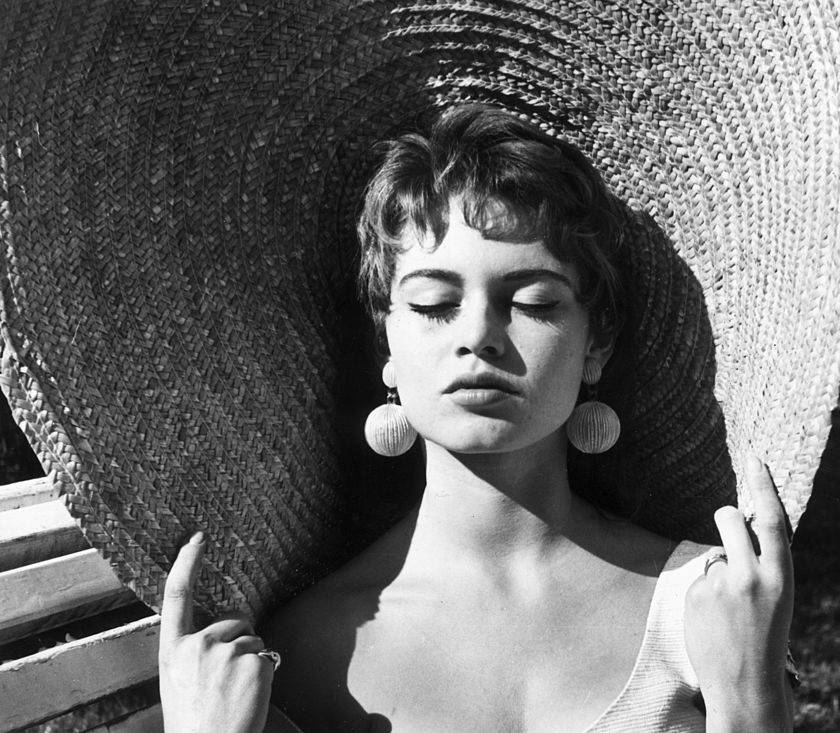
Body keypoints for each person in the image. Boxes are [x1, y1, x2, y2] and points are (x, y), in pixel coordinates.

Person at [157, 105, 796, 732]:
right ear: (387, 347)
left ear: (595, 344)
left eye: (533, 302)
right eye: (435, 304)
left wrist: (750, 703)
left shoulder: (711, 610)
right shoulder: (304, 654)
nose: (479, 336)